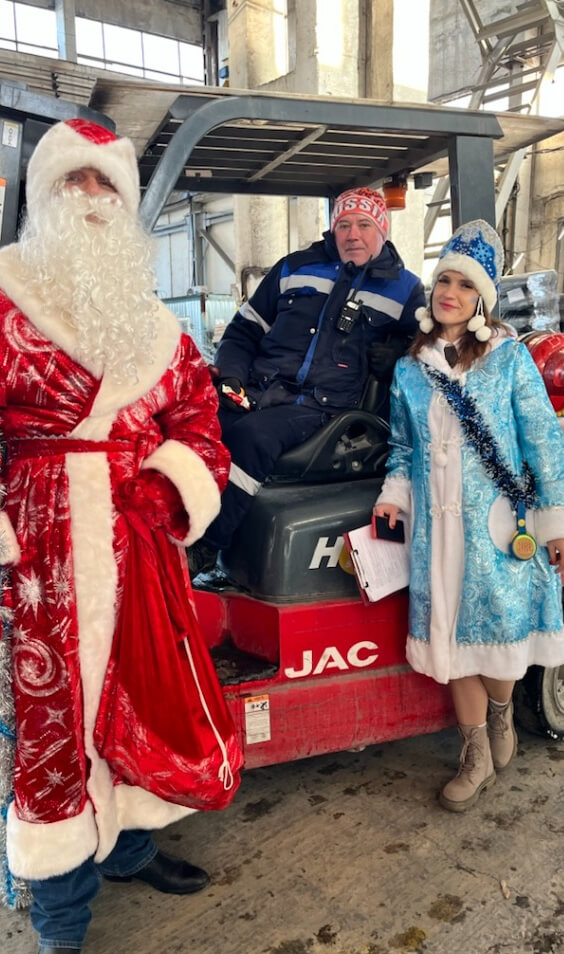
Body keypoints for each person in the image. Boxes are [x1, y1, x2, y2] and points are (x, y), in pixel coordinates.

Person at [0, 118, 232, 954]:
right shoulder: (1, 296)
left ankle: (129, 849)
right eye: (75, 181)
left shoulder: (157, 324)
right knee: (54, 730)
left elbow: (199, 418)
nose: (92, 199)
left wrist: (172, 490)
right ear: (44, 194)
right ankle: (61, 920)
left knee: (140, 699)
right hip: (41, 552)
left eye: (108, 185)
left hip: (140, 547)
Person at [374, 219, 564, 813]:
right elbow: (402, 446)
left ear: (481, 298)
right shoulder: (411, 370)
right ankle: (475, 752)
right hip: (436, 532)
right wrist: (393, 495)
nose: (448, 293)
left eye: (463, 284)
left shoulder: (509, 360)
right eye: (443, 281)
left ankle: (502, 713)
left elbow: (543, 438)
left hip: (498, 529)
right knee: (452, 643)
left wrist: (556, 522)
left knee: (499, 640)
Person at [187, 186, 426, 576]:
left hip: (325, 409)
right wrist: (231, 376)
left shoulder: (405, 289)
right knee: (192, 423)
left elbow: (426, 352)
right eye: (344, 225)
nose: (353, 234)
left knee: (252, 438)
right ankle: (166, 533)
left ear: (382, 230)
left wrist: (399, 355)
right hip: (260, 389)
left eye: (364, 225)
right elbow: (244, 332)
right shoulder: (293, 268)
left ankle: (205, 547)